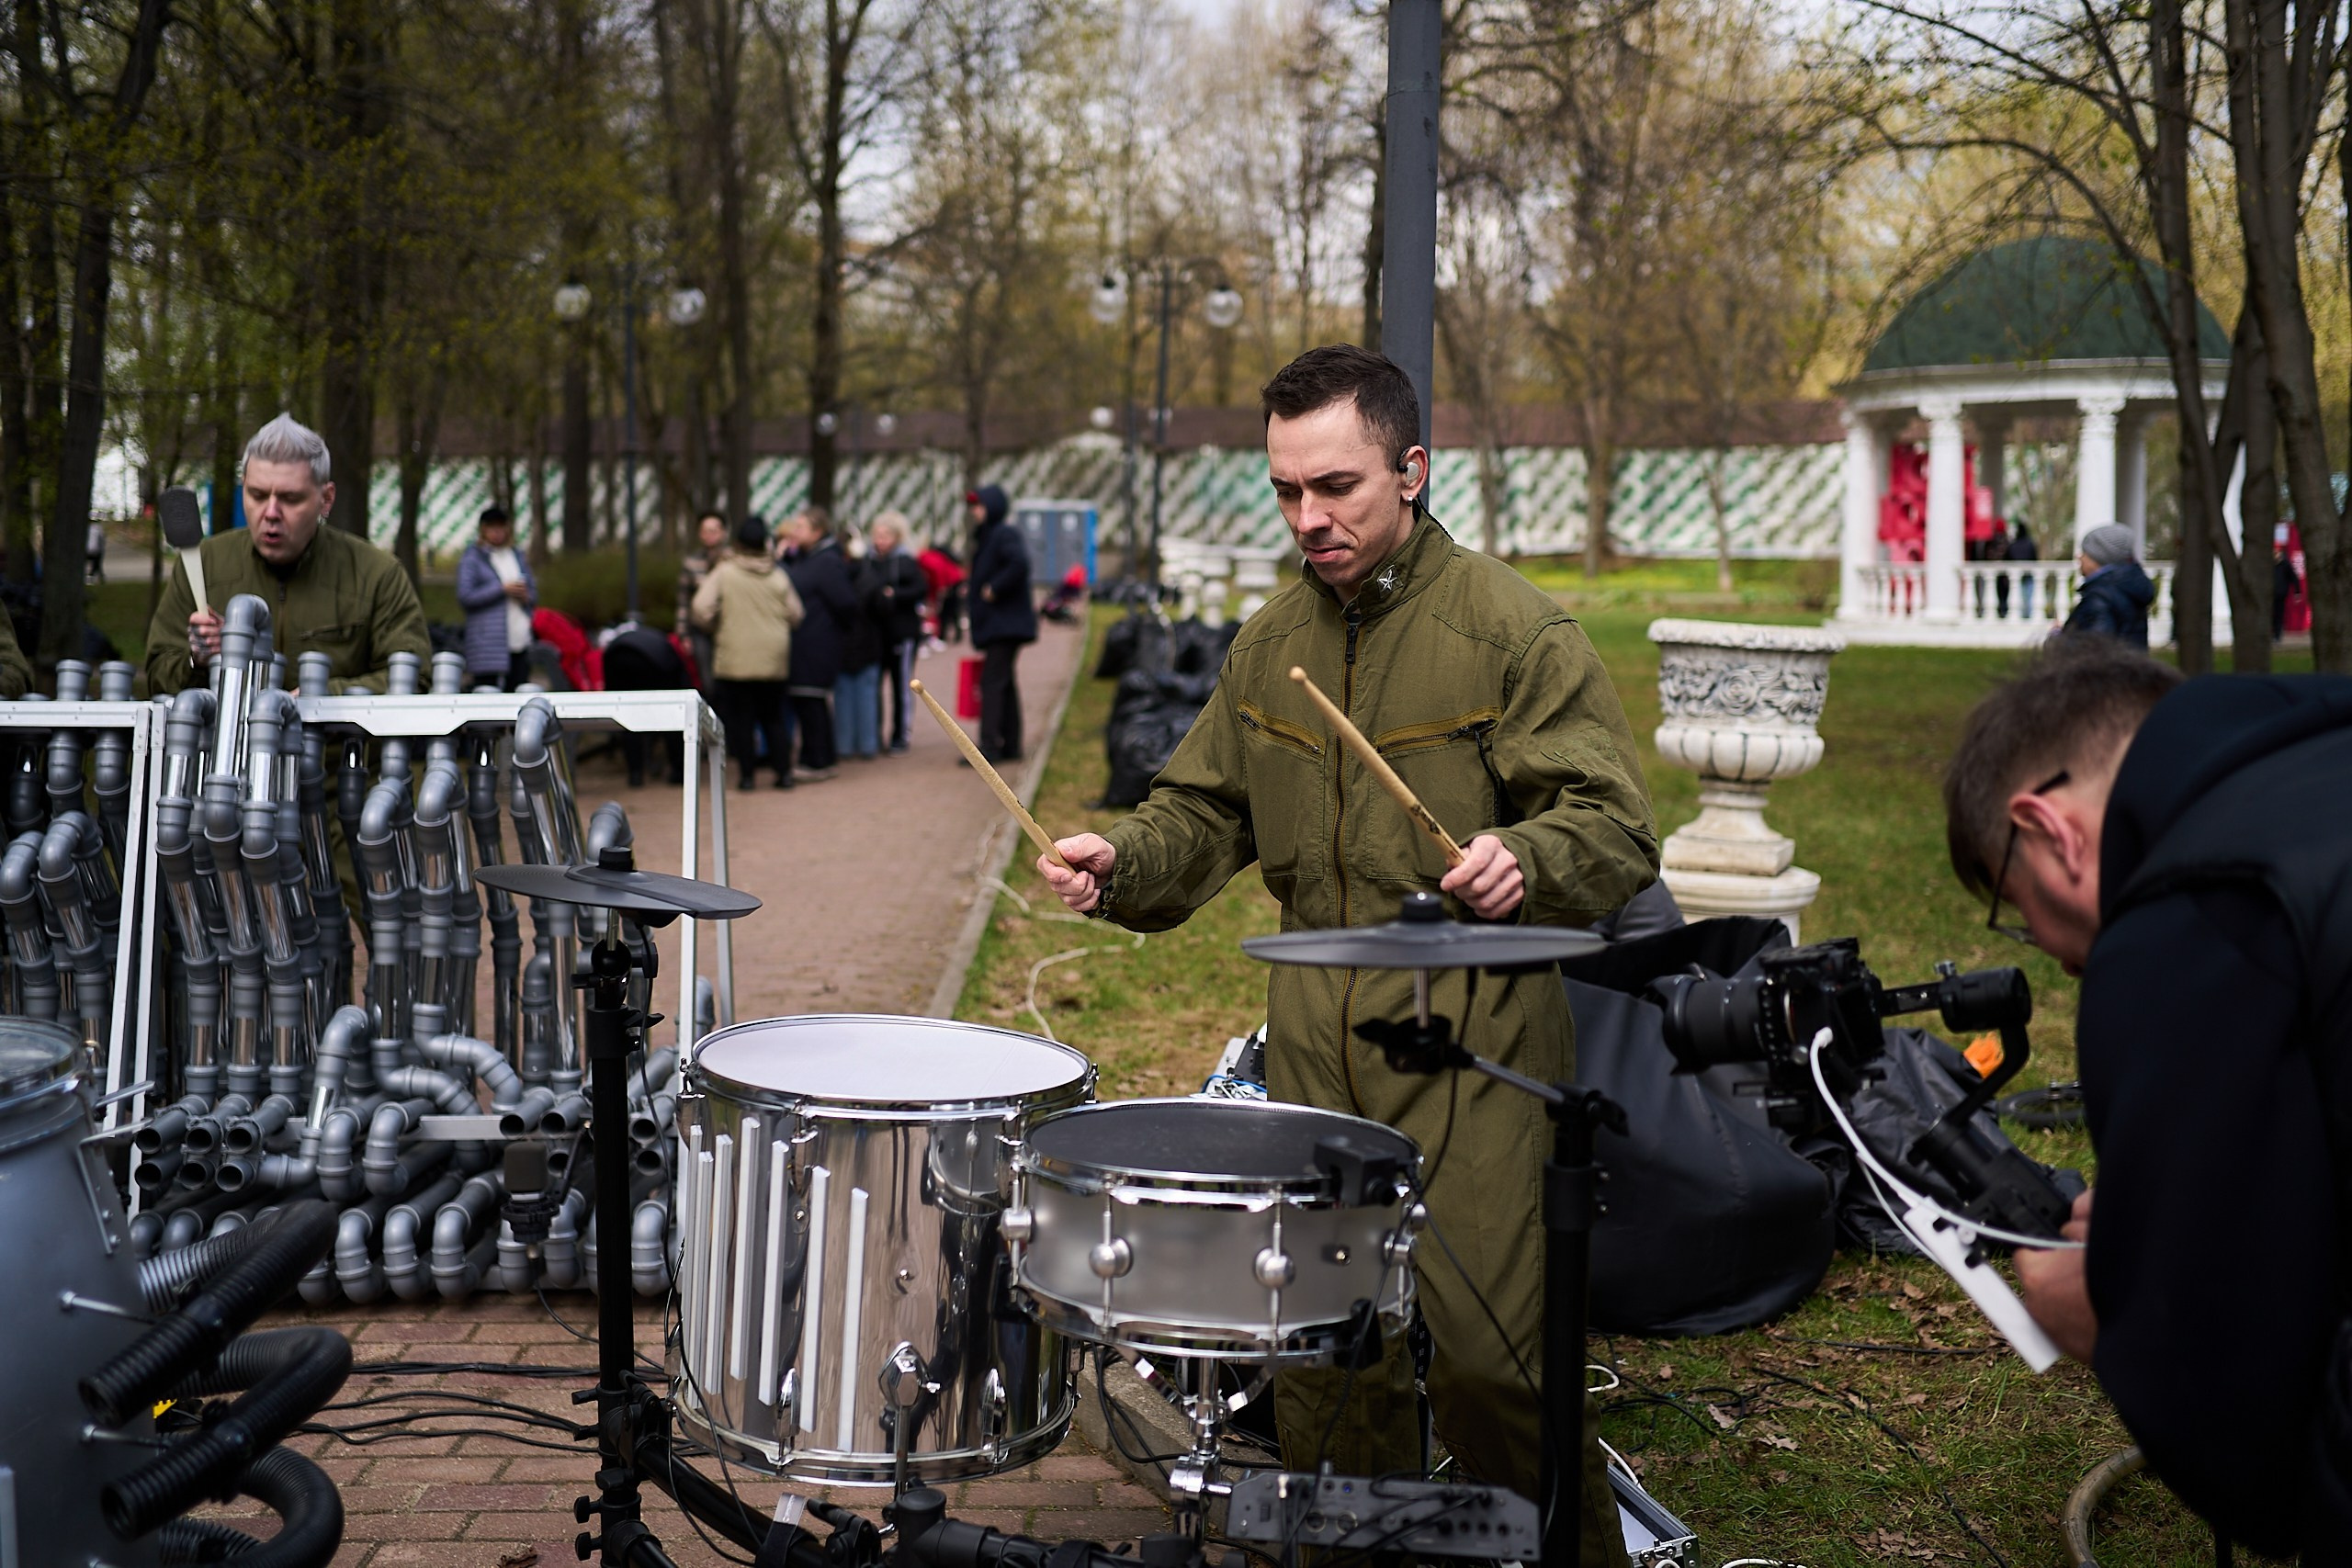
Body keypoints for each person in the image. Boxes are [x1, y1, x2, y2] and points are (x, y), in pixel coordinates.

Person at [1036, 345, 1658, 1538]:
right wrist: (1126, 858)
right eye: (1285, 490)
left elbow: (1615, 826)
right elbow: (1204, 810)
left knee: (1494, 1364)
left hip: (1477, 1044)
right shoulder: (1273, 644)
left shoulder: (1514, 631)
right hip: (1317, 1039)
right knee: (1329, 1359)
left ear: (1412, 469)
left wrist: (1528, 857)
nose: (1307, 517)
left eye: (1337, 485)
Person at [1945, 637, 2352, 1559]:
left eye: (2020, 910)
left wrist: (2119, 1315)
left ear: (2046, 829)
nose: (2059, 958)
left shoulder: (2190, 922)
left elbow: (2249, 1444)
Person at [145, 413, 429, 695]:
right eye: (257, 495)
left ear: (326, 499)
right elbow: (158, 677)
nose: (270, 513)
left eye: (290, 499)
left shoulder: (376, 575)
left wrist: (319, 700)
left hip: (331, 742)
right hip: (225, 741)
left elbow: (414, 680)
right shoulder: (203, 565)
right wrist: (199, 659)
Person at [693, 514, 803, 791]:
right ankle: (784, 773)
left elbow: (700, 607)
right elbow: (797, 614)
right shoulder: (778, 575)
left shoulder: (725, 573)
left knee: (742, 720)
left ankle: (747, 776)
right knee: (774, 717)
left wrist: (715, 625)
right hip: (773, 658)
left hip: (735, 657)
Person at [777, 509, 857, 781]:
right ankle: (818, 757)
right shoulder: (807, 558)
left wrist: (830, 631)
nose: (794, 531)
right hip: (806, 642)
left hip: (816, 642)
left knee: (811, 701)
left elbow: (846, 603)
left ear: (817, 532)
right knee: (808, 701)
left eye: (801, 527)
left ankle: (818, 760)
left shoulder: (826, 562)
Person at [966, 483, 1036, 762]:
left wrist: (993, 588)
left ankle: (990, 744)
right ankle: (1009, 744)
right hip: (1002, 624)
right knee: (1003, 683)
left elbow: (1019, 564)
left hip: (1004, 624)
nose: (975, 511)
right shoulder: (990, 535)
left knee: (993, 682)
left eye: (979, 506)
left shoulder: (1002, 534)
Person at [866, 513, 928, 754]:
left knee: (902, 685)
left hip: (901, 634)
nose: (880, 541)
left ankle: (900, 734)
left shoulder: (906, 561)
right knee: (874, 685)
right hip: (877, 634)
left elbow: (920, 589)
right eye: (877, 535)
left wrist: (895, 594)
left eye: (885, 536)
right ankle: (874, 733)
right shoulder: (869, 561)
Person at [456, 506, 537, 690]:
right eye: (492, 528)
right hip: (487, 642)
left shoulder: (517, 555)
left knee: (518, 690)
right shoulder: (473, 558)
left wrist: (525, 595)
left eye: (501, 527)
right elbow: (466, 596)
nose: (498, 533)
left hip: (519, 637)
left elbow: (533, 593)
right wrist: (501, 589)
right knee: (487, 692)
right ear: (483, 529)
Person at [834, 526, 885, 761]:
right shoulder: (870, 576)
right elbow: (881, 611)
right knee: (866, 696)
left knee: (844, 698)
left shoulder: (836, 574)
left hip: (843, 643)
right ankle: (868, 744)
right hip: (867, 643)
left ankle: (845, 745)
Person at [2063, 523, 2154, 649]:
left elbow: (2093, 651)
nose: (2079, 557)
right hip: (2131, 667)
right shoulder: (2128, 589)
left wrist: (2057, 639)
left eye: (2085, 552)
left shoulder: (2100, 599)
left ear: (2098, 557)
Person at [677, 509, 729, 683]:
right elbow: (684, 600)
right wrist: (683, 635)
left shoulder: (732, 562)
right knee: (707, 679)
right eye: (705, 531)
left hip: (727, 628)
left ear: (723, 532)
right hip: (700, 630)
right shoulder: (691, 563)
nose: (710, 535)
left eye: (714, 530)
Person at [2006, 517, 2040, 620]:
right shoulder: (2030, 543)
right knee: (2028, 596)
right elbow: (2034, 558)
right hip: (2028, 575)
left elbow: (2008, 558)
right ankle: (2027, 615)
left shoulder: (2013, 544)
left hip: (2017, 575)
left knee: (2018, 594)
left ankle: (2020, 614)